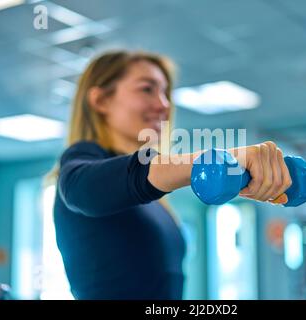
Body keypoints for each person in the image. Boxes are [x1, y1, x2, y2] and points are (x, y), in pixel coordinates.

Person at [51, 50, 292, 300]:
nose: (164, 105)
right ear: (101, 100)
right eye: (147, 89)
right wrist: (213, 162)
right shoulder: (82, 160)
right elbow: (85, 189)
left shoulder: (151, 195)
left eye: (165, 93)